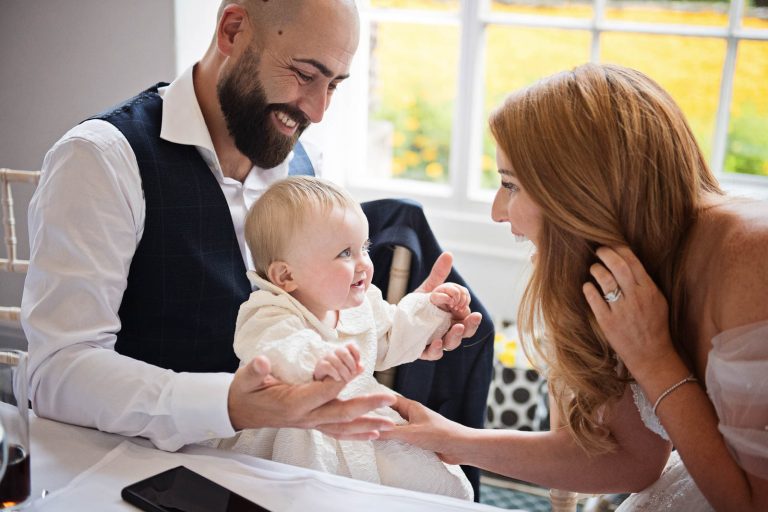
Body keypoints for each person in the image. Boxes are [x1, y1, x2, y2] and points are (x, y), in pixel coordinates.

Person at [20, 0, 489, 472]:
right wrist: (229, 405)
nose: (318, 110)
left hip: (288, 471)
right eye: (305, 75)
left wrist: (396, 326)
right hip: (139, 471)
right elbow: (57, 372)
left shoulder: (309, 164)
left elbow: (315, 319)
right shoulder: (102, 159)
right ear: (232, 29)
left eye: (334, 85)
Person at [379, 63, 768, 512]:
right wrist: (450, 438)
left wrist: (654, 358)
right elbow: (629, 458)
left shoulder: (751, 258)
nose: (497, 212)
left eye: (510, 185)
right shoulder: (617, 271)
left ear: (581, 190)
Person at [215, 176, 474, 499]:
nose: (364, 263)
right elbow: (277, 350)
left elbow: (394, 333)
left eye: (363, 247)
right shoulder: (268, 311)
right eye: (345, 253)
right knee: (308, 496)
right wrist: (318, 361)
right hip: (296, 429)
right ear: (286, 275)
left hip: (359, 422)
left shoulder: (361, 304)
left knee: (445, 486)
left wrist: (432, 310)